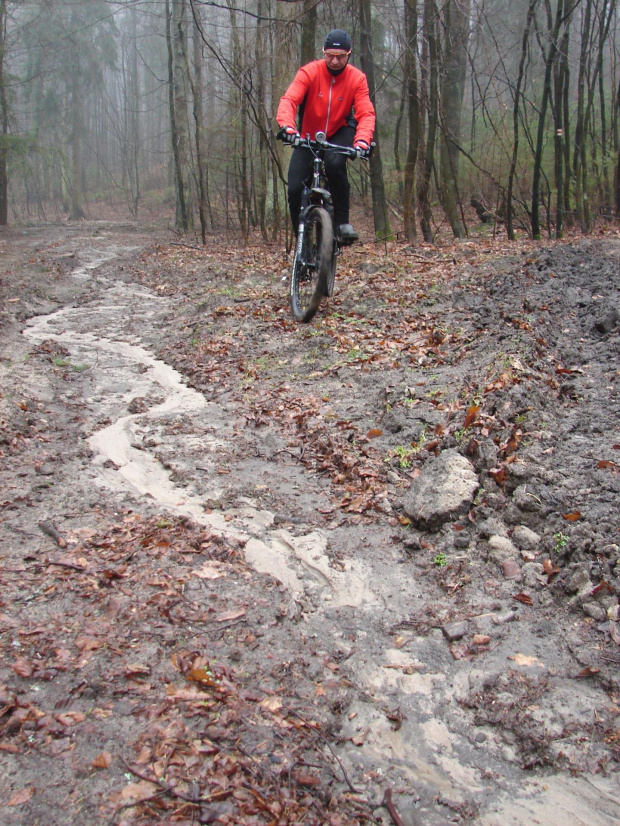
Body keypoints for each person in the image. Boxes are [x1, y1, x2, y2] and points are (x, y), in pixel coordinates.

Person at [276, 29, 376, 243]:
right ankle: (301, 240)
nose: (334, 60)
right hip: (309, 135)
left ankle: (341, 224)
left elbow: (365, 113)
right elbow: (289, 100)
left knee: (335, 164)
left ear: (349, 55)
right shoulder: (309, 72)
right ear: (323, 52)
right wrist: (288, 128)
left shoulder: (357, 79)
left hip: (340, 131)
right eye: (329, 54)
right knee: (294, 188)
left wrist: (362, 142)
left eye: (340, 56)